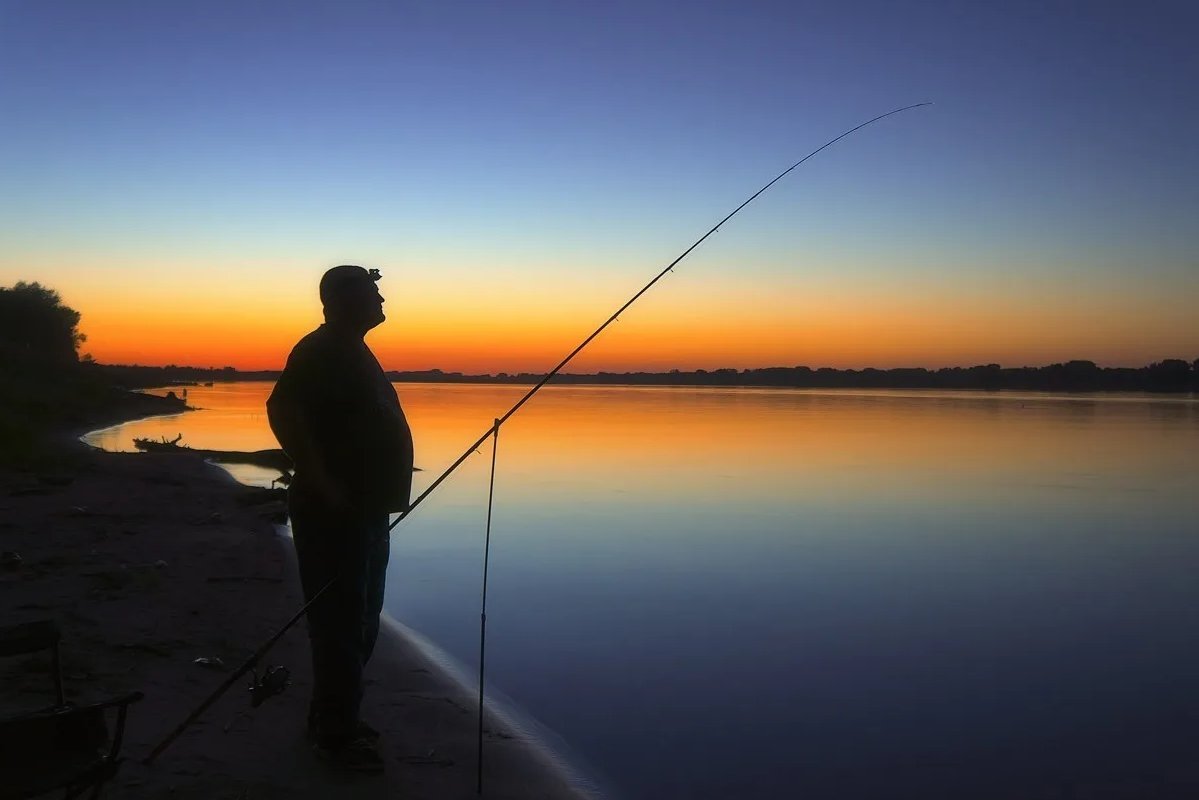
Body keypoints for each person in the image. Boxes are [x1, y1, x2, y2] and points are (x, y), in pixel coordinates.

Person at [266, 265, 414, 772]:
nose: (381, 298)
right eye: (370, 293)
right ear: (339, 301)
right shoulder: (320, 349)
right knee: (341, 624)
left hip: (366, 511)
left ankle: (334, 717)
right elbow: (282, 410)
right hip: (337, 514)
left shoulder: (351, 349)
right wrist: (323, 483)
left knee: (363, 620)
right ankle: (334, 736)